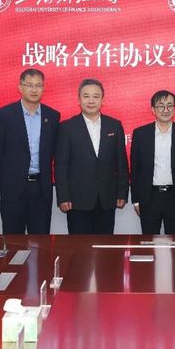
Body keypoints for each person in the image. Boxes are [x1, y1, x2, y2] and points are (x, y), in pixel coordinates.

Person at [55, 79, 128, 234]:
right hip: (77, 200)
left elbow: (121, 162)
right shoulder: (67, 127)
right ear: (79, 99)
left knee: (104, 245)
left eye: (96, 96)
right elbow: (61, 165)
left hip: (107, 199)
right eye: (86, 96)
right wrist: (63, 196)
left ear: (103, 100)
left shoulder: (114, 125)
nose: (91, 101)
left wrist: (122, 192)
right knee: (79, 246)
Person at [0, 69, 60, 234]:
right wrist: (4, 183)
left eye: (38, 85)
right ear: (20, 87)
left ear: (43, 88)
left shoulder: (52, 116)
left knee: (41, 241)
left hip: (41, 189)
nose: (34, 90)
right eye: (29, 85)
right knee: (13, 241)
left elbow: (55, 153)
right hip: (13, 189)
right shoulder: (4, 115)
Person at [130, 90, 175, 234]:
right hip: (149, 198)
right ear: (153, 109)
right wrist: (136, 200)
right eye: (161, 106)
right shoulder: (141, 134)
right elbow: (135, 169)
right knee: (149, 242)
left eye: (170, 105)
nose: (166, 110)